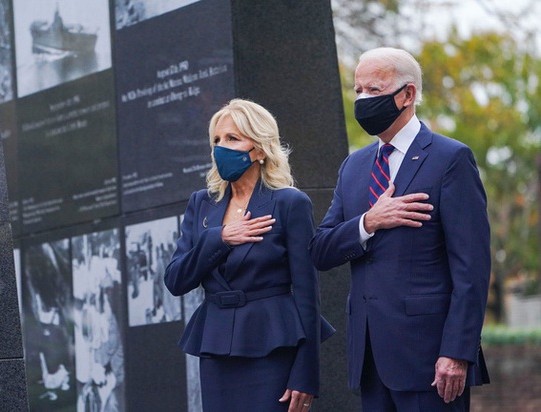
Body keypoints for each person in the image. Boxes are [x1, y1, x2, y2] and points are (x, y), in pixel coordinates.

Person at [309, 47, 490, 412]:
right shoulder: (353, 167)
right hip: (370, 358)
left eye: (374, 90)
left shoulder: (450, 159)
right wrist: (368, 222)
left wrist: (456, 352)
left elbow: (471, 268)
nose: (362, 100)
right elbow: (321, 250)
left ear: (407, 95)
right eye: (357, 90)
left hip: (431, 361)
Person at [165, 98, 335, 412]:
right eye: (216, 140)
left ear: (258, 148)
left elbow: (308, 295)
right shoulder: (202, 203)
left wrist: (306, 375)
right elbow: (176, 280)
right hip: (216, 348)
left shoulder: (289, 203)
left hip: (271, 346)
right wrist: (220, 237)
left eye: (232, 138)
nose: (220, 148)